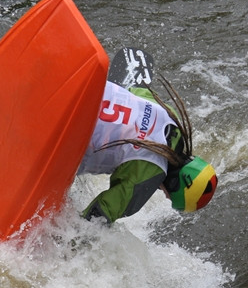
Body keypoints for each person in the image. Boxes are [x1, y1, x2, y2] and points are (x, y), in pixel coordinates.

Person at [77, 77, 217, 223]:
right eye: (169, 196)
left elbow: (133, 91)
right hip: (71, 132)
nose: (166, 196)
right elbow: (99, 215)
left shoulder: (170, 114)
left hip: (84, 88)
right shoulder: (149, 177)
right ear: (175, 186)